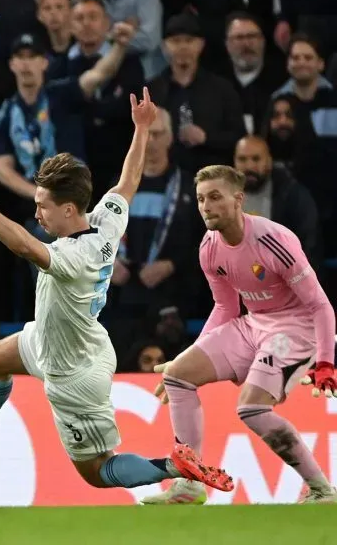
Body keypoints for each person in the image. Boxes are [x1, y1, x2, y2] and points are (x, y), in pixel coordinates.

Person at [0, 88, 235, 493]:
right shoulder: (104, 222)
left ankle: (173, 465)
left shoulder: (72, 258)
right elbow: (128, 181)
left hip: (71, 372)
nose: (37, 213)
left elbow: (24, 245)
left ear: (68, 209)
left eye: (43, 206)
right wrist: (141, 129)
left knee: (97, 472)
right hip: (66, 340)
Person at [144, 164, 337, 505]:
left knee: (251, 409)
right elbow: (225, 308)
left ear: (238, 199)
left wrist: (325, 362)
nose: (206, 206)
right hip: (254, 323)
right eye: (201, 199)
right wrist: (190, 356)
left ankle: (322, 489)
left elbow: (320, 305)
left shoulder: (273, 241)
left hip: (296, 327)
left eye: (215, 197)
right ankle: (190, 483)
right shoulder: (209, 247)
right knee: (177, 376)